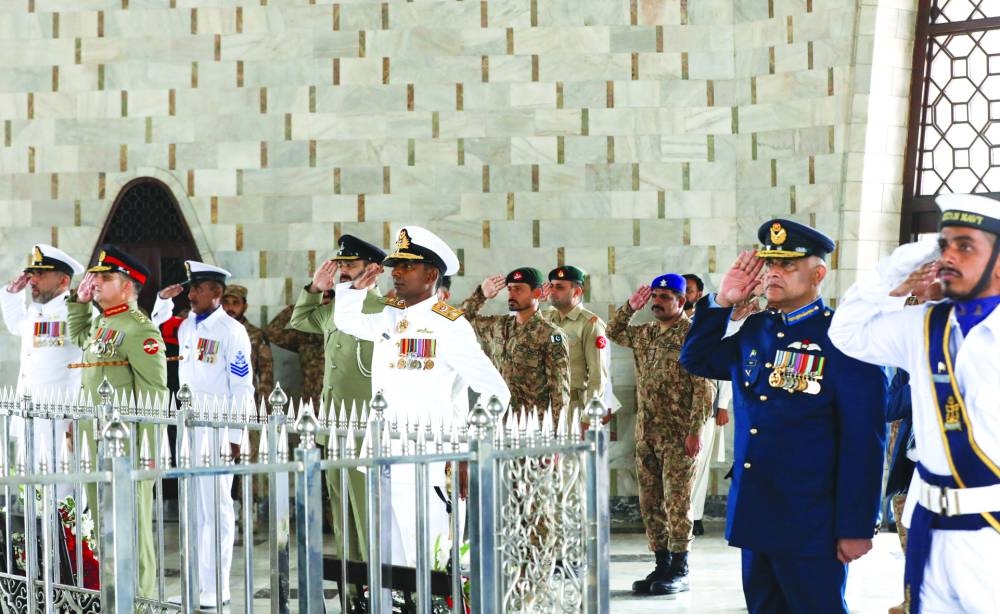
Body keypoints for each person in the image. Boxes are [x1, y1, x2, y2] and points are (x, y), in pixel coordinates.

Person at [679, 219, 886, 614]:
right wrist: (722, 303)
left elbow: (864, 441)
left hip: (811, 521)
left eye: (788, 264)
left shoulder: (845, 337)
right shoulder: (757, 329)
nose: (774, 271)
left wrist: (856, 527)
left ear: (818, 273)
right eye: (770, 262)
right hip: (757, 515)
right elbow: (697, 359)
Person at [828, 193, 1000, 613]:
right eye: (945, 245)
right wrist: (905, 263)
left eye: (966, 246)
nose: (949, 257)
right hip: (928, 524)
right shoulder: (923, 326)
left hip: (992, 529)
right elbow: (846, 333)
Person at [333, 225, 510, 566]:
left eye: (407, 266)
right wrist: (355, 287)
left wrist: (467, 450)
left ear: (431, 274)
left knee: (432, 561)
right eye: (394, 266)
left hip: (429, 461)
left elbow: (495, 392)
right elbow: (346, 321)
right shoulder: (391, 315)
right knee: (392, 564)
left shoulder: (449, 324)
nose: (396, 273)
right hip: (385, 456)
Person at [65, 245, 167, 598]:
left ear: (127, 286)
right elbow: (79, 339)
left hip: (127, 447)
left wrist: (147, 453)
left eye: (105, 278)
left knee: (133, 525)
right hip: (96, 441)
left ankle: (141, 598)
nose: (95, 282)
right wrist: (79, 303)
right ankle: (112, 592)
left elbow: (155, 396)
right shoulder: (102, 321)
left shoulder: (140, 329)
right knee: (103, 521)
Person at [607, 273, 712, 596]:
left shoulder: (693, 335)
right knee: (650, 501)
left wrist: (695, 431)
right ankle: (661, 562)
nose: (657, 302)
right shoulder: (646, 333)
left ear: (682, 301)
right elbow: (613, 331)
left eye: (665, 297)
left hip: (679, 434)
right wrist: (630, 307)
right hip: (647, 432)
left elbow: (704, 388)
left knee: (676, 502)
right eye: (655, 296)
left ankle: (680, 567)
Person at [159, 261, 253, 607]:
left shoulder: (231, 331)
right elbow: (155, 325)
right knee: (194, 511)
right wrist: (163, 300)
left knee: (216, 509)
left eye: (196, 288)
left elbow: (243, 387)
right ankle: (199, 584)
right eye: (190, 288)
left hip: (217, 428)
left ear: (216, 292)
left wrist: (235, 435)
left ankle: (218, 586)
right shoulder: (187, 327)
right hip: (190, 426)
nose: (191, 294)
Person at [289, 234, 387, 562]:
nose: (343, 271)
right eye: (341, 265)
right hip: (333, 426)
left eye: (351, 265)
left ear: (372, 269)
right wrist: (315, 289)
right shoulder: (332, 310)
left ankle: (375, 588)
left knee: (367, 514)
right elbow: (299, 320)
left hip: (363, 429)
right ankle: (352, 589)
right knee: (341, 514)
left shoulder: (382, 309)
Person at [1, 244, 84, 482]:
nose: (32, 280)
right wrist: (12, 293)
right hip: (30, 417)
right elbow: (15, 323)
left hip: (61, 419)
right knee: (34, 495)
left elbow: (93, 364)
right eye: (32, 274)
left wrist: (79, 419)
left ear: (63, 281)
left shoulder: (77, 313)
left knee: (64, 494)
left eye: (41, 274)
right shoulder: (36, 313)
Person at [461, 267, 570, 421]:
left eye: (518, 290)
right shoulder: (498, 326)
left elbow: (559, 389)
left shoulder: (550, 334)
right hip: (496, 420)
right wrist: (481, 295)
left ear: (537, 293)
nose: (511, 295)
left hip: (531, 426)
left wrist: (557, 432)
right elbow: (460, 321)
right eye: (510, 289)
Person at [682, 273, 732, 537]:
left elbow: (724, 369)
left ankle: (696, 515)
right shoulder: (668, 324)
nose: (686, 296)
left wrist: (722, 404)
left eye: (689, 291)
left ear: (698, 294)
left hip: (705, 408)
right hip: (675, 409)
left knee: (698, 465)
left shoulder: (708, 323)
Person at [539, 265, 611, 415]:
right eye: (551, 286)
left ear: (577, 291)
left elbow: (597, 377)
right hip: (543, 405)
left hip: (572, 407)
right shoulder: (544, 318)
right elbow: (518, 328)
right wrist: (535, 301)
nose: (552, 291)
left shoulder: (590, 324)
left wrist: (589, 417)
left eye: (559, 287)